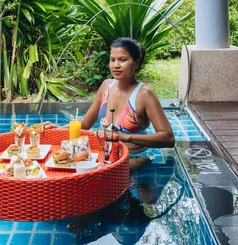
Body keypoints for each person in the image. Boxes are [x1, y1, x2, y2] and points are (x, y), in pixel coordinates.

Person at [44, 37, 175, 171]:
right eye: (112, 60)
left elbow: (168, 138)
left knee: (101, 175)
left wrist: (126, 137)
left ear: (136, 63)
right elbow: (85, 124)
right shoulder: (106, 86)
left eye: (122, 60)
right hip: (106, 156)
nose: (116, 65)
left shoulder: (144, 95)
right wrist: (58, 128)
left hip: (135, 157)